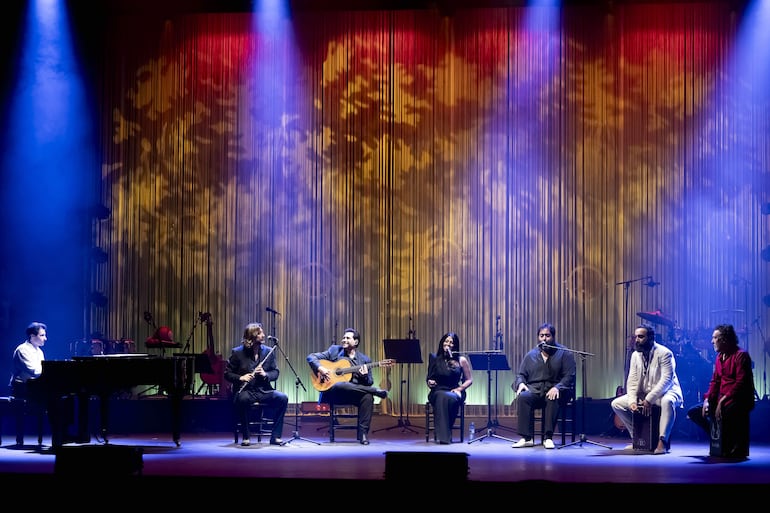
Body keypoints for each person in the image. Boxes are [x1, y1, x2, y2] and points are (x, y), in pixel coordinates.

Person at [306, 327, 388, 445]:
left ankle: (363, 434)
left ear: (356, 342)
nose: (344, 340)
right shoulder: (334, 351)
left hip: (354, 394)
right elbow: (311, 357)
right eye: (343, 337)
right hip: (335, 393)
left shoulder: (365, 360)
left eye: (347, 338)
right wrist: (321, 368)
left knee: (368, 397)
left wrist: (364, 376)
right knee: (340, 385)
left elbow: (369, 381)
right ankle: (375, 391)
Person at [611, 323, 683, 454]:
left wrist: (649, 399)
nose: (636, 340)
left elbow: (666, 380)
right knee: (617, 404)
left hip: (666, 392)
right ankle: (637, 438)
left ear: (650, 338)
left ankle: (663, 442)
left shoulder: (665, 353)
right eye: (635, 337)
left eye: (640, 337)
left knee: (668, 402)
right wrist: (632, 400)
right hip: (644, 394)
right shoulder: (635, 355)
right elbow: (632, 380)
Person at [686, 324, 755, 458]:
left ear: (724, 339)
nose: (712, 341)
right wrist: (707, 400)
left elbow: (740, 383)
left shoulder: (741, 355)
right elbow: (715, 381)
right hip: (723, 399)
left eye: (715, 338)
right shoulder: (719, 357)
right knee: (694, 412)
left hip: (738, 399)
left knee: (725, 411)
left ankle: (729, 443)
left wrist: (722, 401)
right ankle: (718, 437)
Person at [511, 322, 576, 449]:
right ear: (538, 337)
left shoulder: (564, 353)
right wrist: (521, 384)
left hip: (557, 391)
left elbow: (569, 376)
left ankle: (548, 437)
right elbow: (521, 374)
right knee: (524, 397)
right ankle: (527, 438)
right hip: (535, 390)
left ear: (553, 337)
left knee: (552, 396)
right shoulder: (531, 355)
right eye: (541, 336)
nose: (544, 338)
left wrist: (558, 387)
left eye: (547, 335)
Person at [224, 322, 288, 446]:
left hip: (263, 390)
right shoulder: (237, 353)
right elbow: (227, 374)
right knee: (242, 400)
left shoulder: (269, 352)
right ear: (251, 337)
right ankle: (246, 436)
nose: (263, 335)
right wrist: (241, 377)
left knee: (282, 398)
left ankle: (275, 436)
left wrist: (265, 374)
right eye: (260, 333)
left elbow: (275, 373)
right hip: (246, 390)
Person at [426, 331, 473, 444]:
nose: (448, 344)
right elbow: (429, 378)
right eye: (446, 341)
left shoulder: (461, 360)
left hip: (454, 390)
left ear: (455, 345)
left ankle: (444, 433)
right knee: (442, 397)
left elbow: (469, 380)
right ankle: (445, 435)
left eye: (451, 342)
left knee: (450, 398)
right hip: (438, 390)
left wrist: (459, 389)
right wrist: (429, 382)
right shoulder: (435, 358)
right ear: (442, 343)